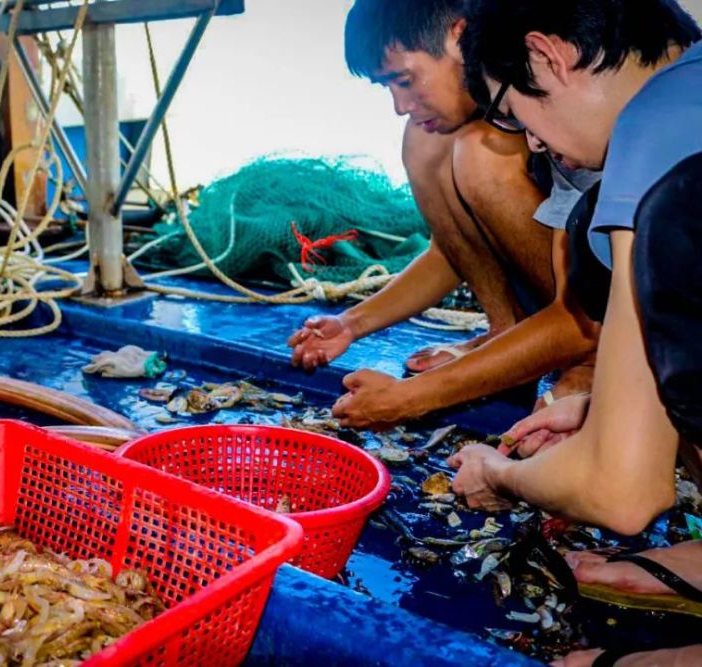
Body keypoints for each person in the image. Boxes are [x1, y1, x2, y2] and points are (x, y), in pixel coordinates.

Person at [449, 1, 702, 663]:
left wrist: (501, 473)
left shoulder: (655, 136)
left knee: (656, 233)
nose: (531, 142)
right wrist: (601, 406)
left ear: (547, 56)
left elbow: (621, 493)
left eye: (510, 112)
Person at [288, 0, 600, 430]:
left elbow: (586, 314)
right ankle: (505, 331)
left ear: (459, 37)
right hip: (577, 296)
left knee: (478, 153)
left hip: (602, 311)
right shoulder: (476, 114)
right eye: (388, 88)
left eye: (404, 80)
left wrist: (411, 398)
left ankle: (589, 361)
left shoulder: (561, 93)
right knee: (425, 140)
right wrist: (350, 323)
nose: (400, 104)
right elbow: (450, 253)